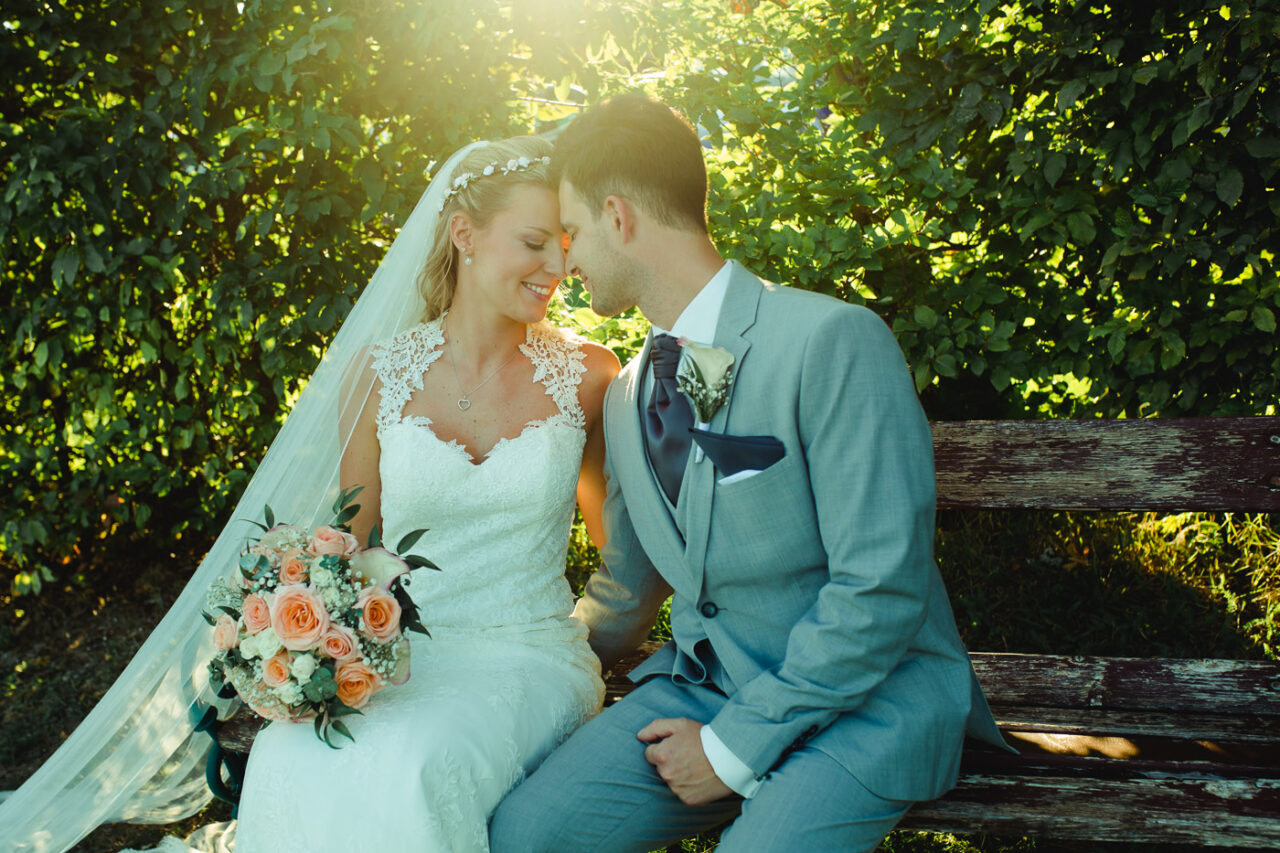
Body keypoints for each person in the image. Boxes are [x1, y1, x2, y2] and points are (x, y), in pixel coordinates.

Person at [0, 136, 619, 853]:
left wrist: (603, 637)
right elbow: (345, 548)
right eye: (537, 242)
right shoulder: (381, 375)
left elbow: (619, 550)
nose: (558, 266)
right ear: (464, 234)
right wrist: (311, 647)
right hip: (410, 654)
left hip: (531, 655)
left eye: (566, 246)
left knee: (417, 765)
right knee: (293, 753)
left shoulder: (587, 376)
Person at [489, 94, 1011, 852]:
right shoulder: (630, 393)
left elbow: (881, 587)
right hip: (704, 688)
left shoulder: (831, 340)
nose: (563, 260)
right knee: (522, 835)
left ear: (619, 217)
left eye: (571, 232)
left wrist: (732, 746)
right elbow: (628, 591)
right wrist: (500, 673)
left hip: (874, 702)